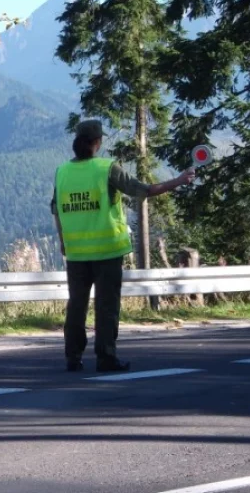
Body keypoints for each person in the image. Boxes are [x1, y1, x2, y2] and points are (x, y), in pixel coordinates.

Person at [52, 120, 195, 373]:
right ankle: (106, 357)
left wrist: (63, 241)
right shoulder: (107, 169)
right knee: (106, 307)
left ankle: (72, 357)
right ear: (97, 143)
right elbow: (144, 190)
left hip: (75, 253)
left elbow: (56, 210)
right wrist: (179, 180)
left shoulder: (62, 172)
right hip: (107, 251)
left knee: (76, 306)